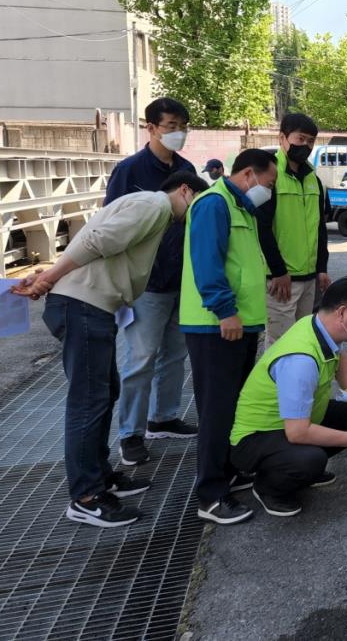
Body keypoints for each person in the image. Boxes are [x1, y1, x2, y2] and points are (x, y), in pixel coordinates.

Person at [13, 172, 208, 528]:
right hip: (83, 304)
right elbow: (99, 240)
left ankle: (101, 478)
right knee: (89, 400)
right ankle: (86, 497)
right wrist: (48, 278)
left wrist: (49, 275)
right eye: (198, 202)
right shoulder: (155, 204)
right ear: (184, 190)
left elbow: (90, 237)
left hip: (92, 305)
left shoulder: (148, 206)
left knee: (104, 393)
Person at [180, 148, 278, 526]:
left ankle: (226, 471)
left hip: (240, 324)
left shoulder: (241, 208)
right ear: (249, 174)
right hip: (217, 326)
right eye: (267, 183)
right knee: (216, 411)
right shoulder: (214, 204)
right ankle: (211, 494)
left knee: (232, 408)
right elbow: (208, 263)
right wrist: (225, 310)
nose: (267, 190)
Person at [229, 277, 347, 517]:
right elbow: (297, 432)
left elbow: (340, 357)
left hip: (294, 422)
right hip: (256, 437)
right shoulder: (301, 361)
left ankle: (295, 466)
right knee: (310, 460)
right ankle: (268, 487)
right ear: (342, 313)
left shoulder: (317, 324)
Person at [104, 97, 198, 469]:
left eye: (183, 126)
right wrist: (120, 285)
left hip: (182, 281)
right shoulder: (129, 171)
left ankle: (164, 417)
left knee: (175, 354)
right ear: (151, 128)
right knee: (141, 359)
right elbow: (110, 228)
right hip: (145, 284)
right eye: (171, 125)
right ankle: (130, 433)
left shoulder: (188, 169)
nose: (178, 132)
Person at [256, 113, 330, 349]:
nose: (305, 146)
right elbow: (262, 228)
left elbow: (320, 227)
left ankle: (296, 387)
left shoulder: (314, 180)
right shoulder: (270, 177)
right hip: (281, 280)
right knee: (280, 344)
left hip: (309, 279)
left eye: (310, 141)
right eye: (301, 138)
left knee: (302, 342)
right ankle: (273, 388)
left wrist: (321, 268)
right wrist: (278, 271)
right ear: (282, 138)